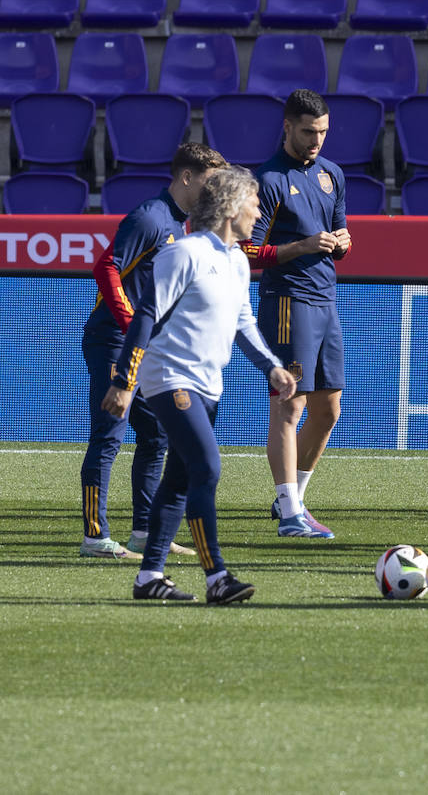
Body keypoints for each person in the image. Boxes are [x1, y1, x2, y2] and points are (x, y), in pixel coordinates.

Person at [105, 167, 298, 603]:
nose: (258, 211)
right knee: (207, 467)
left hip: (208, 384)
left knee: (177, 481)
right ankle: (217, 577)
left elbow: (244, 324)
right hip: (170, 377)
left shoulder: (235, 260)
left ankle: (148, 578)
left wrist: (271, 367)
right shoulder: (185, 252)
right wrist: (124, 379)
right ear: (231, 208)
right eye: (254, 203)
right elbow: (147, 315)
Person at [79, 143, 227, 560]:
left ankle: (143, 532)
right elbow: (105, 267)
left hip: (145, 346)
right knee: (109, 435)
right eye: (210, 181)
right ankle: (94, 537)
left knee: (156, 436)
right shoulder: (150, 216)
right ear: (186, 177)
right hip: (114, 340)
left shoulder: (184, 224)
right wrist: (131, 326)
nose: (216, 191)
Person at [242, 89, 350, 539]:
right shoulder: (267, 181)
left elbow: (340, 229)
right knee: (291, 404)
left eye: (323, 131)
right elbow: (246, 250)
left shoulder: (332, 175)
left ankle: (293, 499)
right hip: (287, 300)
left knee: (329, 410)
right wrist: (300, 247)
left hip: (326, 298)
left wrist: (343, 243)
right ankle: (290, 515)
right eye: (308, 131)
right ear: (287, 127)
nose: (316, 140)